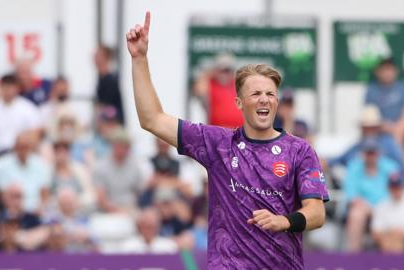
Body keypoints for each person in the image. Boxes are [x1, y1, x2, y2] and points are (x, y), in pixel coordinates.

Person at [126, 12, 328, 269]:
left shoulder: (299, 150)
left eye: (270, 94)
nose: (264, 99)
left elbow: (317, 213)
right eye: (256, 93)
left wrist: (285, 221)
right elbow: (152, 119)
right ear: (239, 103)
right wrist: (139, 59)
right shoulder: (217, 143)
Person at [343, 136, 399, 251]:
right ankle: (353, 257)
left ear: (379, 153)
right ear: (363, 154)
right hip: (365, 208)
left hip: (388, 206)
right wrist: (370, 207)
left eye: (373, 152)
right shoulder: (354, 167)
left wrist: (381, 208)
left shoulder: (390, 167)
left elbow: (397, 189)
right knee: (356, 214)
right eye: (368, 152)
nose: (371, 156)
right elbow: (352, 197)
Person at [328, 105, 404, 185]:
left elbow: (400, 170)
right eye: (366, 127)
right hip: (358, 191)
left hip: (385, 191)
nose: (369, 130)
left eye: (371, 127)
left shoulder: (389, 145)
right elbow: (337, 161)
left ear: (377, 127)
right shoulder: (357, 146)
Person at [365, 58, 404, 146]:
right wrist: (389, 127)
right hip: (379, 131)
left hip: (400, 132)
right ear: (378, 72)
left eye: (390, 69)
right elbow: (369, 116)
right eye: (384, 70)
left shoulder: (402, 88)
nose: (387, 73)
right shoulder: (372, 90)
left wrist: (399, 128)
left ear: (395, 71)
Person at [371, 173, 404, 253]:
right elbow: (376, 232)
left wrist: (403, 234)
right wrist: (392, 233)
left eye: (398, 187)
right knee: (391, 240)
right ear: (389, 188)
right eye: (393, 187)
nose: (396, 190)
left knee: (398, 240)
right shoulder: (381, 206)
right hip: (386, 242)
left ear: (403, 187)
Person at [193, 52, 244, 128]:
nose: (224, 74)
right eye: (221, 70)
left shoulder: (238, 84)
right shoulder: (211, 84)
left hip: (241, 132)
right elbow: (199, 90)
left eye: (228, 70)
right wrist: (208, 73)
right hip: (217, 132)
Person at [0, 74, 42, 156]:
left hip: (20, 154)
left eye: (10, 87)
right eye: (5, 87)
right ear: (1, 88)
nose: (8, 91)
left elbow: (36, 133)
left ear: (17, 88)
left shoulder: (27, 108)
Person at [94, 45, 125, 124]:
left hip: (112, 125)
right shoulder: (101, 79)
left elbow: (106, 107)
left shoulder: (110, 80)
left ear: (105, 58)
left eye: (97, 55)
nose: (94, 57)